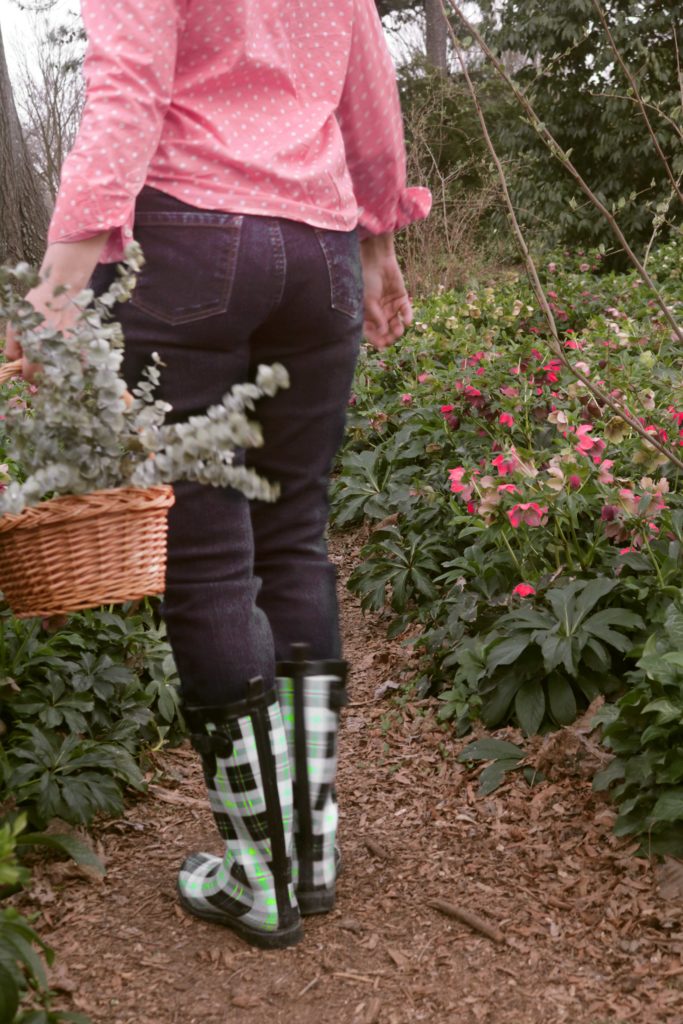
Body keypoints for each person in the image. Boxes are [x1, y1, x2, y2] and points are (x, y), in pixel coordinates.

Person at [5, 0, 430, 949]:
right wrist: (379, 249)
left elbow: (125, 98)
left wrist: (58, 291)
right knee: (292, 532)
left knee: (207, 560)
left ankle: (257, 870)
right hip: (318, 256)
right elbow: (371, 101)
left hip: (182, 247)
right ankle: (309, 851)